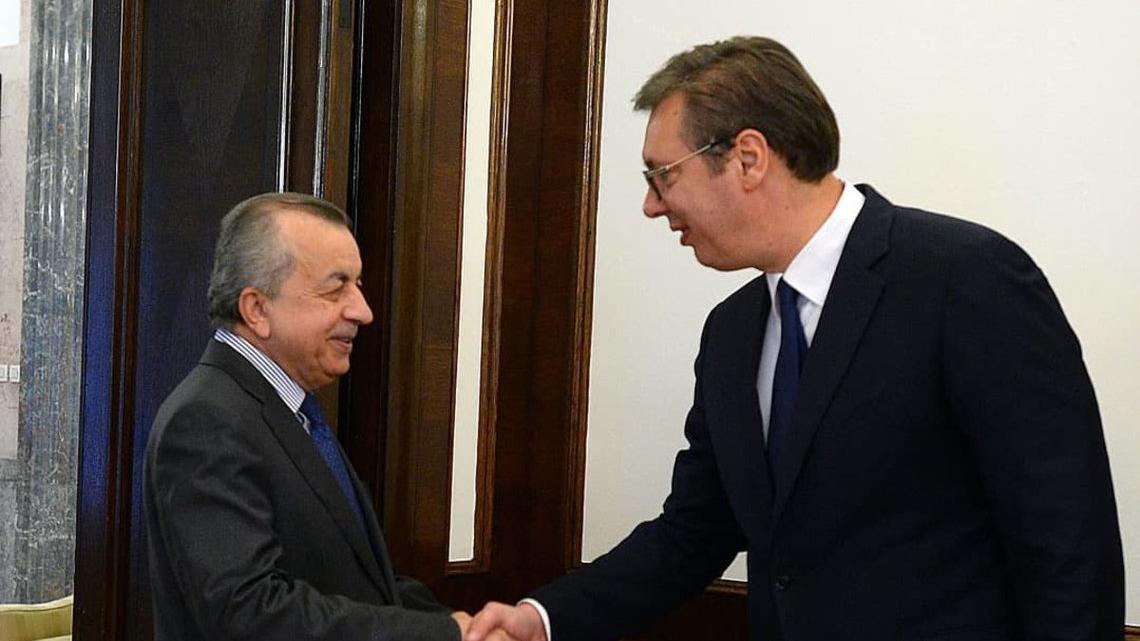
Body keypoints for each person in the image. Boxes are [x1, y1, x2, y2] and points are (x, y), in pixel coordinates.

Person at [466, 36, 1124, 641]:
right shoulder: (731, 333)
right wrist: (543, 619)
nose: (652, 205)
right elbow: (695, 529)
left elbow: (1068, 544)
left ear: (748, 158)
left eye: (663, 176)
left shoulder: (966, 279)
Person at [144, 193, 496, 640]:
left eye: (358, 285)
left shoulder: (293, 410)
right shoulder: (206, 421)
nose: (362, 311)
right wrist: (445, 635)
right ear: (257, 309)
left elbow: (364, 585)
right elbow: (251, 612)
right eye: (336, 288)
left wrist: (470, 629)